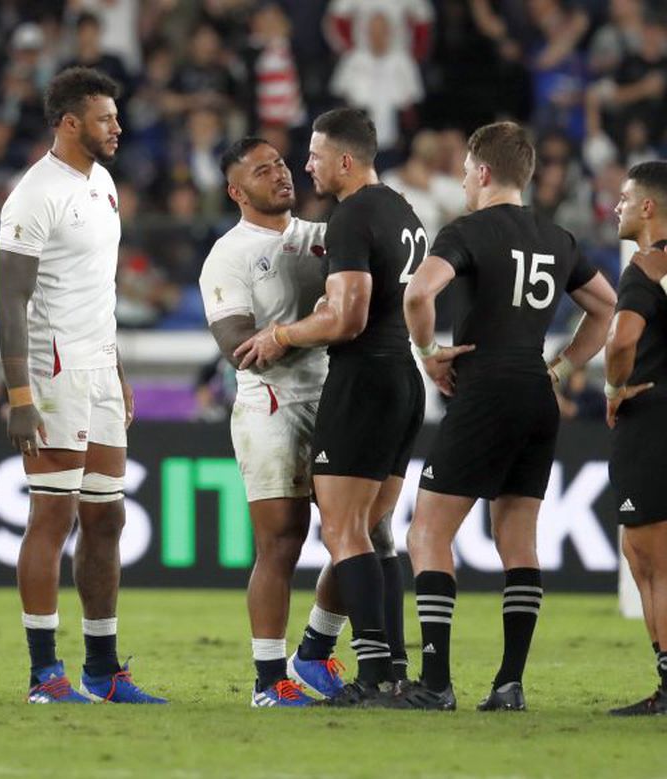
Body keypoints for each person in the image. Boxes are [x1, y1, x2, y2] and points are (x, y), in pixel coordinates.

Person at [397, 121, 615, 711]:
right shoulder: (557, 236)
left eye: (467, 171)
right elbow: (606, 307)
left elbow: (418, 294)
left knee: (427, 533)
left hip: (485, 386)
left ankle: (436, 683)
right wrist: (564, 366)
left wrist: (426, 354)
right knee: (518, 540)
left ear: (484, 172)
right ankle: (509, 683)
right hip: (536, 393)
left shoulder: (467, 230)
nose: (464, 180)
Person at [235, 107, 427, 706]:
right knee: (375, 531)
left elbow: (348, 317)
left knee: (345, 531)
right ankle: (393, 669)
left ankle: (372, 677)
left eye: (315, 155)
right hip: (404, 378)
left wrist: (281, 335)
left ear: (346, 160)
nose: (306, 164)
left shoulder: (352, 217)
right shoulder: (401, 209)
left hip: (363, 381)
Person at [0, 66, 165, 704]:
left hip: (97, 368)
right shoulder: (35, 195)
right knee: (53, 514)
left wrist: (117, 369)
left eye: (116, 117)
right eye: (105, 119)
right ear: (70, 123)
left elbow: (102, 288)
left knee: (108, 517)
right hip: (54, 369)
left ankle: (102, 670)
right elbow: (11, 301)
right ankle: (45, 673)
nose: (117, 127)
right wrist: (20, 396)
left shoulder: (104, 183)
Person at [199, 137, 349, 707]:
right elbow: (237, 346)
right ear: (237, 191)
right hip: (272, 407)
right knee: (282, 542)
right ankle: (268, 681)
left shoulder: (323, 238)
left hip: (336, 400)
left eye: (281, 165)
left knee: (362, 538)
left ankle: (314, 652)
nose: (280, 176)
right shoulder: (228, 255)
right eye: (263, 172)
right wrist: (320, 323)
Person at [605, 160, 667, 716]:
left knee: (652, 560)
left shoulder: (647, 265)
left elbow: (622, 340)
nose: (617, 207)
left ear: (648, 207)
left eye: (625, 199)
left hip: (651, 418)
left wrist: (612, 385)